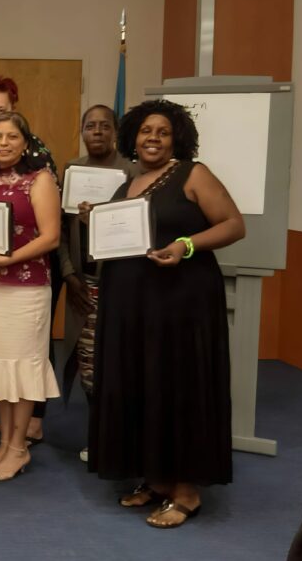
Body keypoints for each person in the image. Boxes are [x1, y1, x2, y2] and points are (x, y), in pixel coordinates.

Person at [89, 99, 244, 528]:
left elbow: (234, 224)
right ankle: (156, 478)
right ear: (133, 137)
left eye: (162, 132)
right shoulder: (129, 184)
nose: (152, 138)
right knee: (142, 383)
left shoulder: (193, 174)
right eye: (145, 131)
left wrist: (186, 245)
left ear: (177, 138)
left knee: (178, 385)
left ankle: (187, 492)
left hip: (181, 302)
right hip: (132, 304)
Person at [0, 111, 61, 482]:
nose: (3, 143)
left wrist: (8, 259)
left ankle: (19, 448)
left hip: (25, 287)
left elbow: (50, 237)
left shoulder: (40, 179)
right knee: (0, 367)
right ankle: (5, 444)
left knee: (22, 367)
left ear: (26, 142)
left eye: (11, 137)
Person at [56, 105, 138, 461]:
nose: (98, 132)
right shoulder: (71, 171)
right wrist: (69, 274)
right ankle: (99, 435)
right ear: (82, 130)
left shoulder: (133, 173)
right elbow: (59, 232)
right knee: (88, 363)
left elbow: (138, 231)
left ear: (116, 131)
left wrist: (102, 218)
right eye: (91, 126)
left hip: (121, 283)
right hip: (83, 281)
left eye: (106, 126)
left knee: (121, 361)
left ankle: (122, 437)